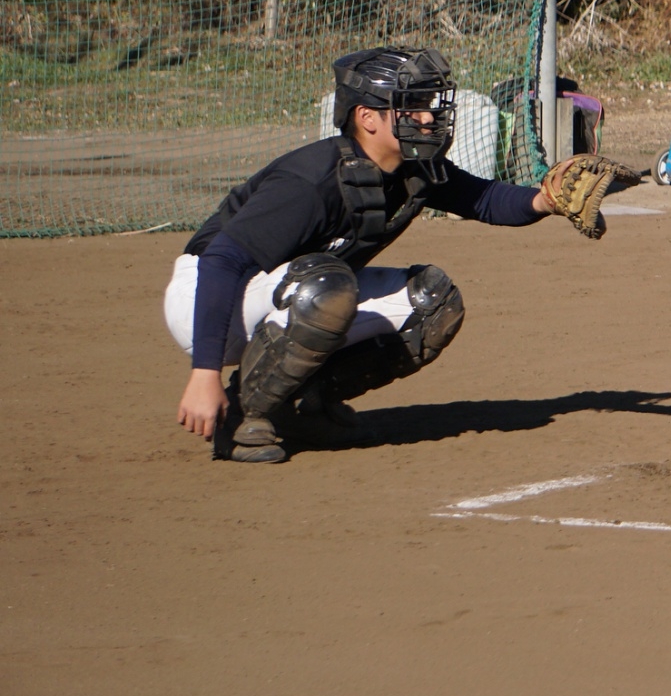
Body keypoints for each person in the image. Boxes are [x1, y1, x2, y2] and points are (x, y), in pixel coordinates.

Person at [165, 47, 629, 463]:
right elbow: (222, 260)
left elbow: (484, 199)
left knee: (432, 303)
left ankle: (298, 405)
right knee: (328, 286)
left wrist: (545, 201)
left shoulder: (412, 170)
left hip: (292, 293)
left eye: (428, 105)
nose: (428, 117)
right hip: (209, 300)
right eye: (413, 106)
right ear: (368, 118)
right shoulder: (310, 183)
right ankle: (240, 416)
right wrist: (203, 373)